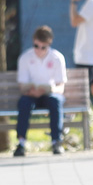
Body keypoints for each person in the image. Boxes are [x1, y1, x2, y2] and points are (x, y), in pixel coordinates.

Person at [14, 26, 68, 156]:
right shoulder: (25, 58)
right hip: (31, 94)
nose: (39, 50)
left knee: (55, 101)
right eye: (36, 46)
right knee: (24, 103)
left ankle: (56, 141)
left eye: (43, 47)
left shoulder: (57, 58)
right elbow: (22, 85)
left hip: (51, 94)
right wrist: (32, 90)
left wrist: (49, 89)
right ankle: (21, 143)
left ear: (49, 45)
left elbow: (61, 87)